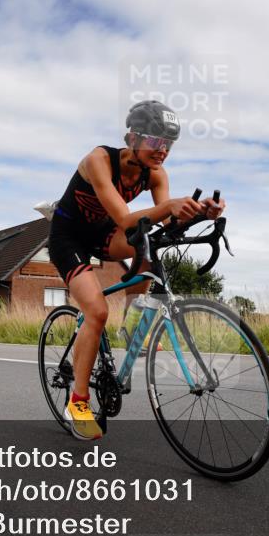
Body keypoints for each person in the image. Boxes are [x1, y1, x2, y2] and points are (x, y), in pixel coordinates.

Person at [48, 100, 225, 440]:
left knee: (152, 243)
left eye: (169, 144)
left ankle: (131, 324)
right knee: (97, 311)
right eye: (156, 141)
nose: (163, 151)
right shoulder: (98, 160)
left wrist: (202, 212)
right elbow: (127, 219)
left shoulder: (155, 173)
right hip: (68, 237)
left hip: (105, 235)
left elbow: (166, 219)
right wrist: (169, 208)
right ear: (132, 138)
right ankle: (79, 402)